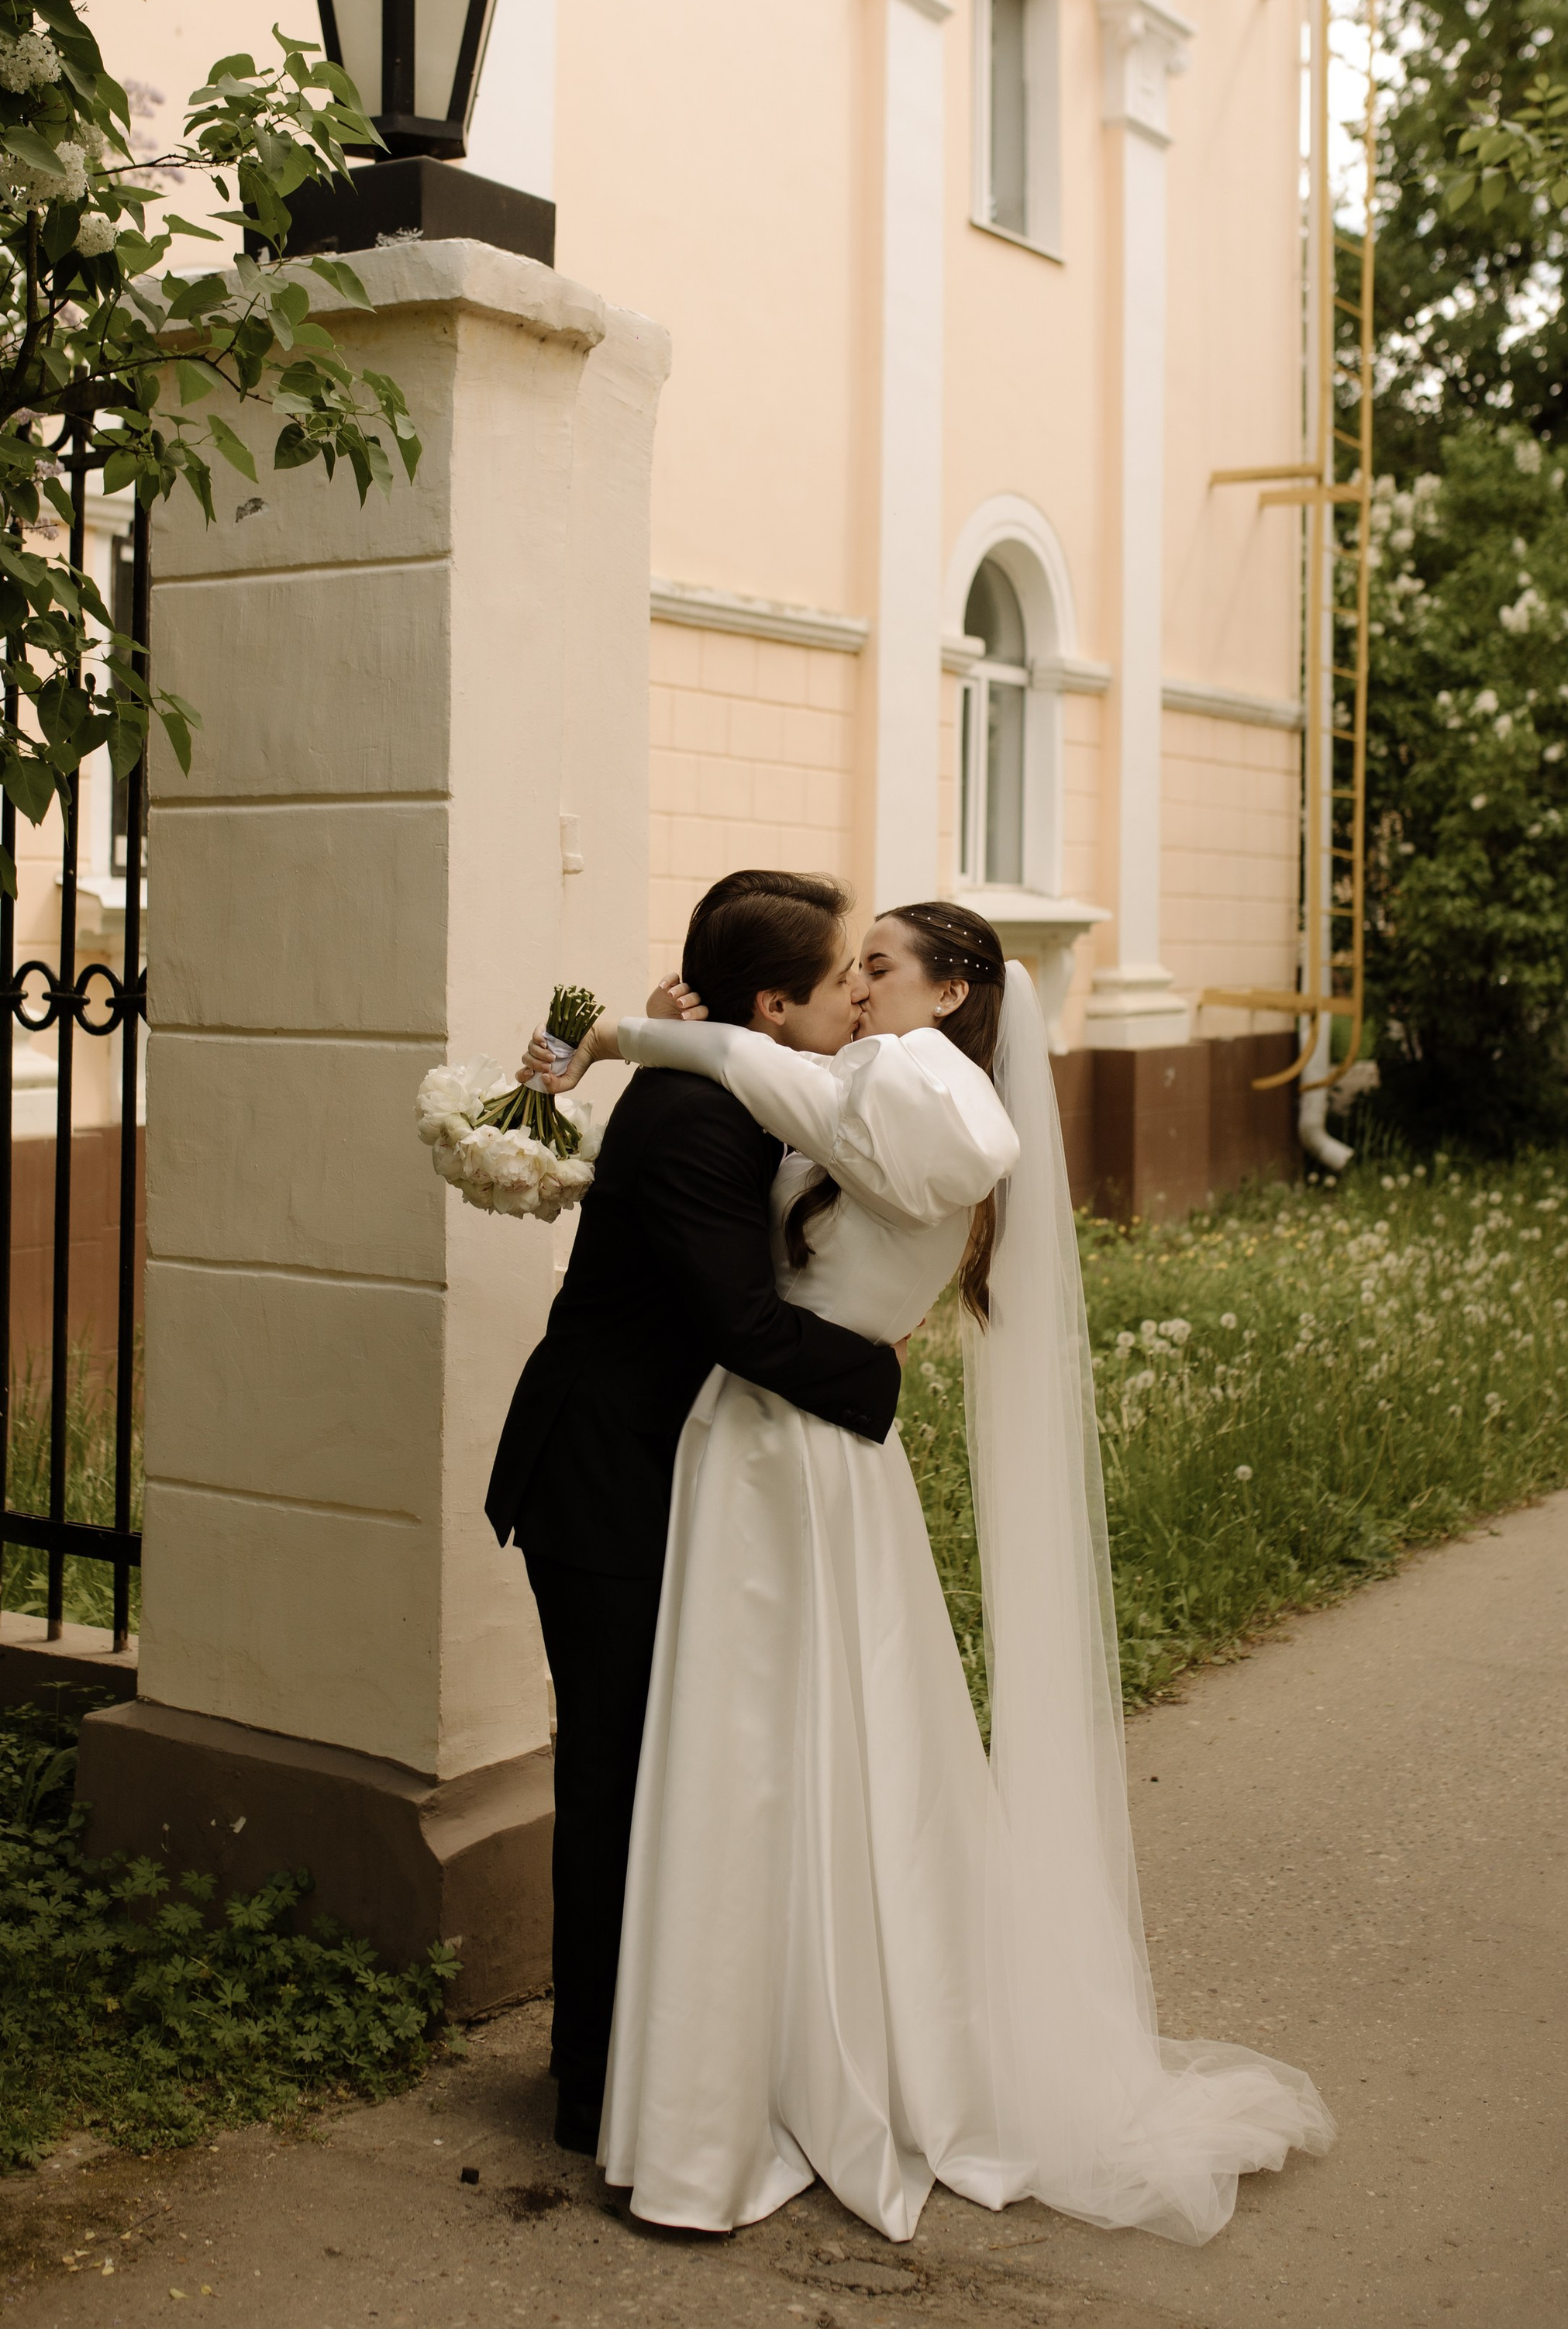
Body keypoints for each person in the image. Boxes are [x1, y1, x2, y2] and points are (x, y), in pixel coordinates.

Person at [531, 902, 1335, 2244]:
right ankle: (761, 2053)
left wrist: (631, 1035)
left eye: (880, 966)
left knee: (762, 1752)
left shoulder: (927, 1088)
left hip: (792, 1448)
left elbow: (778, 1084)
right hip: (784, 1446)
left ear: (954, 989)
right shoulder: (880, 1077)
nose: (857, 986)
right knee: (792, 1756)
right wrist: (679, 1033)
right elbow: (776, 1089)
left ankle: (731, 2091)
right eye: (845, 970)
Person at [484, 870, 903, 2160]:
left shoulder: (730, 1084)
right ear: (774, 1006)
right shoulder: (695, 1122)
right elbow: (739, 1321)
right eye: (844, 983)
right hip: (601, 1478)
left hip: (644, 1468)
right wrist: (879, 1376)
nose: (862, 1005)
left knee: (658, 1767)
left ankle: (645, 2057)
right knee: (613, 1773)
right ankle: (593, 2083)